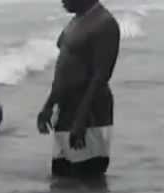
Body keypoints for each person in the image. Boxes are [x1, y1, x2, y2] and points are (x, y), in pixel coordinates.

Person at [37, 0, 121, 179]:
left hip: (90, 114)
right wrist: (49, 105)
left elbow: (101, 76)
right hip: (67, 110)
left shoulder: (105, 24)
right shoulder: (76, 20)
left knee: (87, 179)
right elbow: (64, 69)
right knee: (61, 177)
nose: (62, 0)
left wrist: (81, 120)